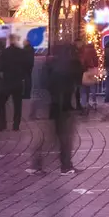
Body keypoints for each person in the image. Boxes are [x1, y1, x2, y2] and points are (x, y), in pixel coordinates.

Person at [36, 38, 82, 174]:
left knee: (52, 136)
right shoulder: (72, 63)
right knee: (65, 137)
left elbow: (44, 82)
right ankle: (66, 166)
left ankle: (37, 164)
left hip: (53, 103)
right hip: (66, 104)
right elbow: (80, 80)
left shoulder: (50, 63)